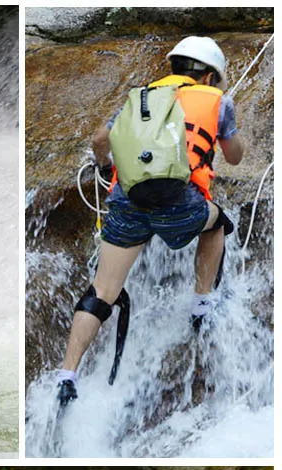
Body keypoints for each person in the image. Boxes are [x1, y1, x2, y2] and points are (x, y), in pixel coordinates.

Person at [56, 36, 245, 406]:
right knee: (218, 223)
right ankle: (201, 305)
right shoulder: (218, 100)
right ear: (208, 76)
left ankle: (66, 374)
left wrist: (107, 168)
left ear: (174, 66)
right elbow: (235, 156)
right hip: (181, 204)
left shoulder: (139, 95)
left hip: (128, 202)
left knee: (102, 293)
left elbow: (100, 139)